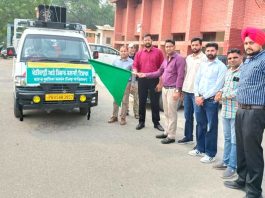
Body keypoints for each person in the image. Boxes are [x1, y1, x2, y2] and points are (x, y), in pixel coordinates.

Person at [224, 27, 265, 198]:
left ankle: (254, 191)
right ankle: (242, 179)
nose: (248, 45)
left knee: (252, 151)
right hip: (240, 110)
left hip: (255, 111)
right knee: (241, 148)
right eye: (246, 42)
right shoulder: (248, 60)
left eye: (251, 42)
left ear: (261, 42)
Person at [137, 39, 185, 144]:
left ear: (174, 46)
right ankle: (166, 132)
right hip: (165, 89)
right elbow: (159, 72)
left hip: (173, 89)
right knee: (167, 113)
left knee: (172, 113)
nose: (168, 48)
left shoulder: (179, 59)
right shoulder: (166, 59)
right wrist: (145, 74)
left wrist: (178, 90)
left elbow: (181, 76)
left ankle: (171, 136)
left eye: (170, 46)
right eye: (167, 47)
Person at [188, 42, 227, 163]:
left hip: (210, 101)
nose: (210, 53)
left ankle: (210, 154)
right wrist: (196, 96)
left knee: (211, 127)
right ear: (206, 51)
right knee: (200, 125)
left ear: (217, 51)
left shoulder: (221, 67)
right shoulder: (203, 65)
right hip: (199, 99)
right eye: (208, 51)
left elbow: (218, 86)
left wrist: (203, 97)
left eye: (212, 51)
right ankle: (200, 148)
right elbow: (197, 81)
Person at [213, 48, 242, 179]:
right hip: (225, 110)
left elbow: (240, 91)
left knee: (235, 140)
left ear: (241, 57)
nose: (232, 60)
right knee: (227, 138)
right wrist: (220, 91)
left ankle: (232, 166)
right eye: (229, 58)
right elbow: (226, 86)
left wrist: (223, 96)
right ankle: (225, 161)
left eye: (235, 57)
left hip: (236, 112)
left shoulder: (244, 72)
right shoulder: (228, 71)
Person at [133, 34, 164, 131]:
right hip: (142, 80)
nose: (147, 41)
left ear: (152, 41)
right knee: (142, 101)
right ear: (143, 41)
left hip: (154, 80)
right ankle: (141, 122)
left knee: (155, 102)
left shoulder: (158, 52)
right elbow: (135, 65)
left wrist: (160, 82)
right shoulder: (139, 53)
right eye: (145, 40)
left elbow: (162, 68)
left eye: (148, 40)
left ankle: (156, 123)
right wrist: (135, 71)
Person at [178, 37, 207, 144]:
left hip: (197, 93)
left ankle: (199, 143)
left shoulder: (204, 58)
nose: (194, 47)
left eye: (196, 45)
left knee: (199, 119)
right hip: (187, 91)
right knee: (187, 116)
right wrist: (181, 89)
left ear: (201, 45)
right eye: (193, 45)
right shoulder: (188, 58)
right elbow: (184, 74)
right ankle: (188, 136)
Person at [108, 45, 133, 125]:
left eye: (124, 51)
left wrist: (132, 84)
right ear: (119, 52)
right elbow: (112, 72)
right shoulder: (115, 61)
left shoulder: (131, 62)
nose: (123, 53)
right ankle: (114, 117)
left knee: (125, 101)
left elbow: (133, 74)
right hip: (117, 83)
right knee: (115, 100)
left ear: (127, 52)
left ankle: (123, 118)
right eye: (121, 51)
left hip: (126, 83)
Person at [127, 43, 139, 119]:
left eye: (134, 48)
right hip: (126, 80)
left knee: (136, 97)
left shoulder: (138, 57)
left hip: (136, 81)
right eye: (131, 47)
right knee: (125, 97)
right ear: (128, 48)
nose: (132, 49)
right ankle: (126, 110)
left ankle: (136, 113)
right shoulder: (125, 57)